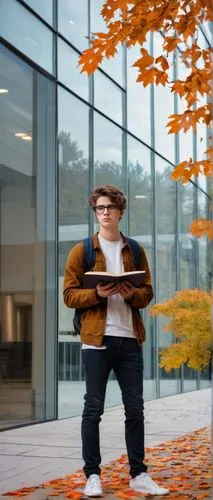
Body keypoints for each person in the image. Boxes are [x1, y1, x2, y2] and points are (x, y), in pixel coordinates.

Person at [63, 185, 169, 497]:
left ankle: (138, 474)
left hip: (129, 341)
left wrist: (130, 292)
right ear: (95, 212)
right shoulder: (82, 250)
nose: (105, 212)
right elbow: (69, 295)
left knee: (135, 409)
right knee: (93, 408)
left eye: (110, 207)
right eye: (99, 208)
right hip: (96, 341)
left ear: (120, 211)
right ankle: (92, 475)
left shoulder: (134, 250)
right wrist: (96, 293)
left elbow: (147, 292)